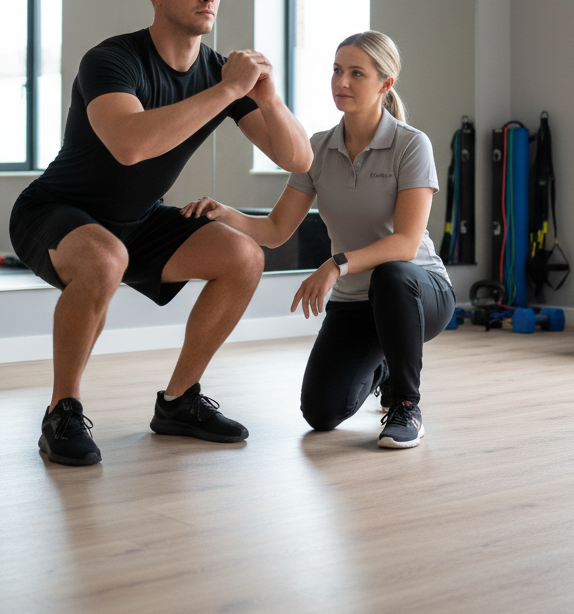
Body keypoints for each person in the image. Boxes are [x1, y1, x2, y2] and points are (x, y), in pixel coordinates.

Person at [10, 0, 312, 466]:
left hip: (137, 221)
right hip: (56, 210)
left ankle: (179, 402)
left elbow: (296, 159)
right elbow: (130, 145)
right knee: (106, 257)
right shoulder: (112, 60)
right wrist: (226, 92)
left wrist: (270, 98)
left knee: (244, 256)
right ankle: (63, 410)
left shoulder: (221, 71)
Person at [181, 31, 455, 449]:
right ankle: (382, 366)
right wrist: (226, 214)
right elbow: (276, 229)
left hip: (417, 293)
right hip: (356, 302)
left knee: (392, 275)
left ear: (385, 85)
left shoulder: (410, 145)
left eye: (356, 73)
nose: (341, 82)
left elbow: (404, 244)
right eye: (337, 70)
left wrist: (335, 264)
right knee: (321, 413)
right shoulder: (318, 149)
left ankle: (405, 404)